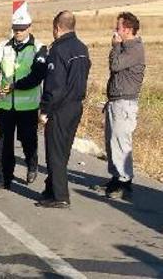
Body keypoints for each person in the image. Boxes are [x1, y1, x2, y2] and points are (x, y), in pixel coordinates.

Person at [0, 0, 47, 190]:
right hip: (5, 104)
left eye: (21, 28)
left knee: (28, 140)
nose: (18, 32)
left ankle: (31, 164)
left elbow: (37, 76)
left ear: (29, 27)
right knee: (4, 143)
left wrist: (16, 86)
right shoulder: (3, 46)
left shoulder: (39, 48)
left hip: (28, 105)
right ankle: (4, 178)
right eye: (15, 29)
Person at [36, 11, 91, 208]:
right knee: (63, 151)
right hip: (76, 106)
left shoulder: (58, 50)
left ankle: (60, 196)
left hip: (60, 107)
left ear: (57, 27)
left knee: (55, 153)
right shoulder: (82, 48)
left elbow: (55, 85)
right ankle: (51, 189)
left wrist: (44, 110)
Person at [101, 12, 145, 199]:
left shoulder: (134, 49)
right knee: (112, 142)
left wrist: (116, 46)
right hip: (115, 101)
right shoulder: (126, 47)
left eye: (118, 27)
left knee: (121, 143)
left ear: (126, 29)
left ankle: (124, 181)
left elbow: (116, 65)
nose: (115, 31)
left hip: (125, 103)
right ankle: (115, 176)